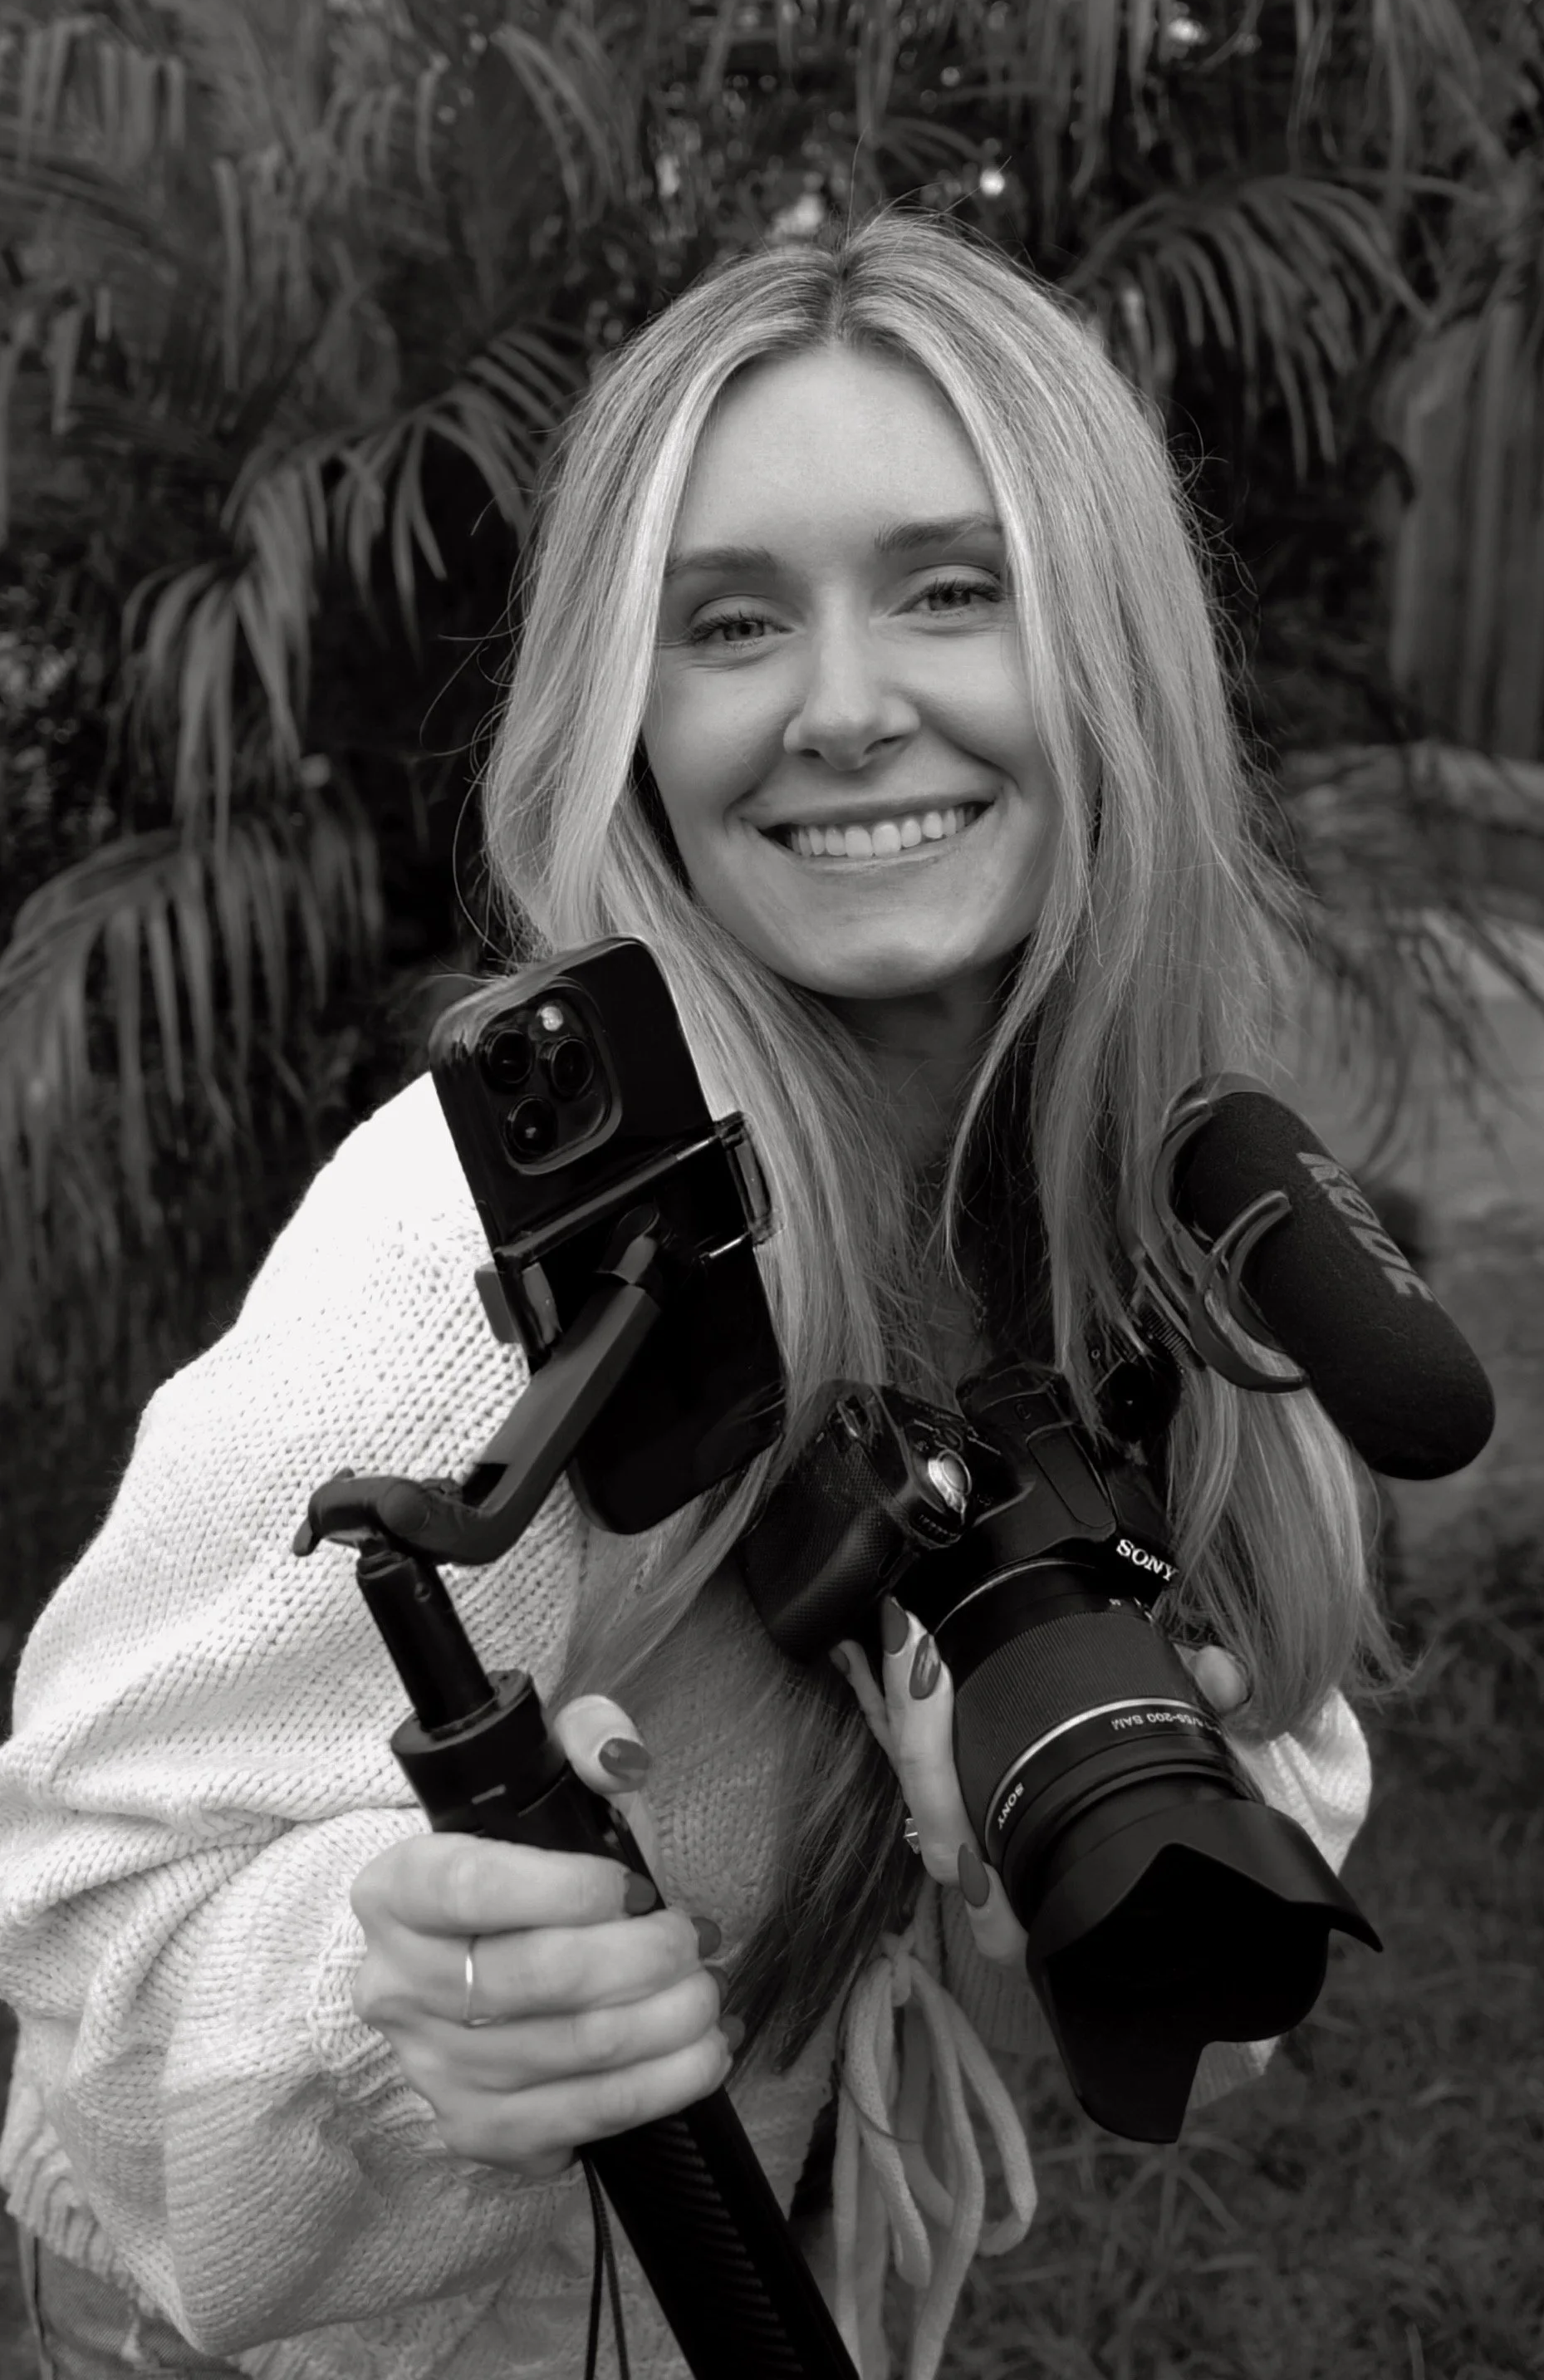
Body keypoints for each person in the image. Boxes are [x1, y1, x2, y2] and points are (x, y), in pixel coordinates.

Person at [0, 209, 1411, 2380]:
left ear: (1112, 639)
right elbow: (83, 1954)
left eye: (956, 588)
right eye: (729, 621)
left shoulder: (1149, 1186)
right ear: (630, 709)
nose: (845, 713)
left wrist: (1036, 1851)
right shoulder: (474, 1269)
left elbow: (1234, 1834)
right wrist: (387, 1988)